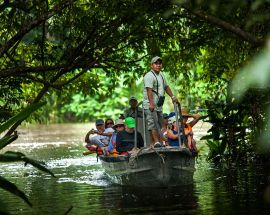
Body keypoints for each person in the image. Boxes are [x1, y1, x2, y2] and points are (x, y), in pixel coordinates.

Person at [143, 56, 178, 148]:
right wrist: (151, 103)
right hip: (149, 104)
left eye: (159, 63)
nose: (158, 65)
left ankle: (155, 143)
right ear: (151, 65)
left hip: (158, 105)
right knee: (152, 123)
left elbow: (166, 87)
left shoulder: (162, 74)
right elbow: (149, 90)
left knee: (160, 123)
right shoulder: (149, 76)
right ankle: (156, 143)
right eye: (156, 63)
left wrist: (172, 96)